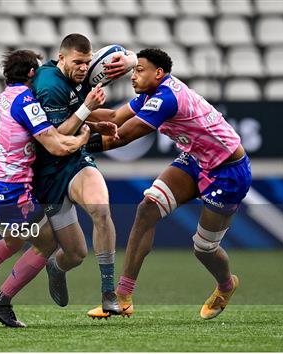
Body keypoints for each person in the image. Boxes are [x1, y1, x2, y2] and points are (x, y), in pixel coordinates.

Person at [84, 48, 252, 319]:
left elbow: (121, 136)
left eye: (140, 70)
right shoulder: (151, 93)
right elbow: (114, 118)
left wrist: (70, 144)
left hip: (228, 172)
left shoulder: (166, 98)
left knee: (204, 249)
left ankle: (226, 285)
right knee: (147, 208)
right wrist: (75, 113)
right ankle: (123, 296)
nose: (133, 76)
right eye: (134, 69)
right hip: (197, 159)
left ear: (158, 73)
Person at [0, 49, 95, 327]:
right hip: (11, 192)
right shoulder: (26, 101)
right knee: (47, 242)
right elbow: (56, 145)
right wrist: (84, 136)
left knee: (13, 241)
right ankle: (1, 301)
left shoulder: (2, 98)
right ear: (32, 74)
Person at [30, 33, 137, 315]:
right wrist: (89, 110)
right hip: (48, 169)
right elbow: (56, 138)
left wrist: (133, 59)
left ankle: (108, 293)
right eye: (78, 62)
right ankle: (55, 266)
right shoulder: (50, 84)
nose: (84, 68)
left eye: (87, 62)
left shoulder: (82, 73)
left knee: (101, 210)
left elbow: (123, 55)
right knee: (75, 254)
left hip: (75, 160)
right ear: (61, 58)